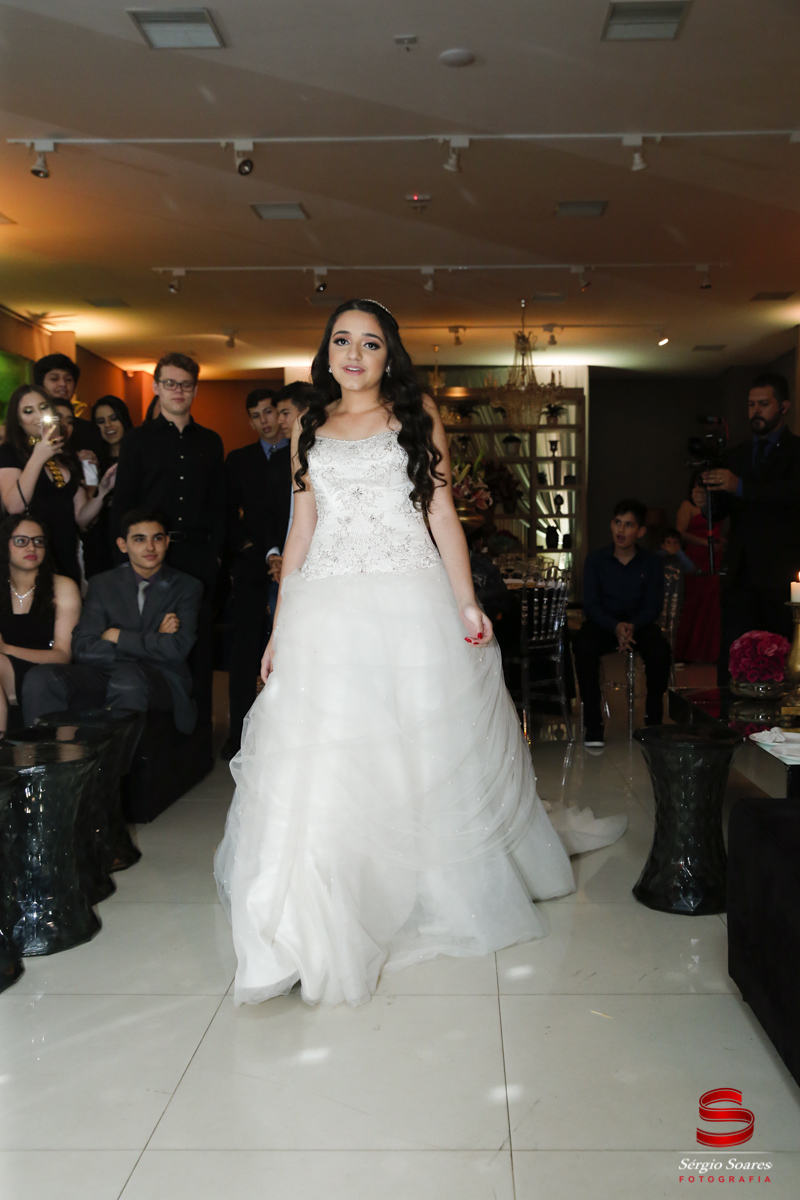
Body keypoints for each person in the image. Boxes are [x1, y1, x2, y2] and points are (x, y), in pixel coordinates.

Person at [214, 299, 626, 1009]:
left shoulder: (415, 414)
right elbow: (301, 530)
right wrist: (281, 628)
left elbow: (439, 512)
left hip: (409, 600)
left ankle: (425, 883)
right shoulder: (308, 424)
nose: (354, 354)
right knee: (325, 757)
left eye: (370, 343)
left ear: (389, 354)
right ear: (327, 350)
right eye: (342, 341)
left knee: (417, 747)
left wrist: (465, 601)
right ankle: (312, 911)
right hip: (326, 610)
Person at [23, 509, 203, 733]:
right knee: (41, 677)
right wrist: (153, 639)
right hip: (105, 672)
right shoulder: (103, 584)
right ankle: (44, 753)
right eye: (139, 539)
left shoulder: (186, 586)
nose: (150, 547)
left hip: (162, 680)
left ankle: (116, 757)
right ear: (123, 545)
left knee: (128, 678)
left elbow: (177, 649)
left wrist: (117, 636)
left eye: (157, 538)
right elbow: (83, 647)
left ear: (167, 542)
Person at [692, 372, 800, 683]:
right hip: (740, 572)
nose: (755, 411)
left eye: (763, 404)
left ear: (784, 406)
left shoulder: (796, 451)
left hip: (781, 573)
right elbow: (724, 510)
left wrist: (740, 485)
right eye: (751, 404)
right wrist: (707, 503)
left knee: (782, 656)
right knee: (733, 655)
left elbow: (790, 494)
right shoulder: (736, 455)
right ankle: (729, 712)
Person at [111, 353, 225, 593]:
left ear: (195, 390)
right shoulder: (136, 440)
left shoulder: (210, 441)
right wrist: (124, 559)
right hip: (148, 554)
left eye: (186, 384)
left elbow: (220, 504)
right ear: (156, 387)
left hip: (199, 554)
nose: (178, 390)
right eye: (170, 383)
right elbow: (123, 502)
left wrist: (216, 555)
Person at [222, 389, 291, 759]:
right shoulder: (239, 460)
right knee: (245, 649)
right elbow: (227, 512)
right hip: (252, 563)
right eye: (257, 415)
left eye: (270, 412)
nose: (265, 420)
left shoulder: (301, 451)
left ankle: (284, 735)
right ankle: (238, 736)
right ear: (250, 421)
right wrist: (252, 549)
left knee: (291, 647)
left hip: (297, 560)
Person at [573, 499, 671, 748]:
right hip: (604, 624)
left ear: (640, 531)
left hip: (639, 625)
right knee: (583, 647)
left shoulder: (651, 563)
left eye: (629, 525)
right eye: (618, 522)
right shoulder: (596, 560)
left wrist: (631, 626)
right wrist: (615, 627)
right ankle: (593, 725)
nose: (621, 530)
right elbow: (591, 605)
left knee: (660, 651)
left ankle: (654, 721)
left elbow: (653, 606)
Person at [0, 385, 117, 585]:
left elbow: (82, 518)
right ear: (18, 420)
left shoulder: (64, 454)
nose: (38, 415)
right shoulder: (9, 453)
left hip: (66, 555)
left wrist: (103, 491)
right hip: (29, 556)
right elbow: (15, 505)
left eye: (43, 407)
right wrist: (38, 456)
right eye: (28, 411)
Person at [0, 514, 82, 731]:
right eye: (21, 541)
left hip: (47, 673)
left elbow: (63, 656)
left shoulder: (63, 587)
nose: (31, 548)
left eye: (38, 541)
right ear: (4, 544)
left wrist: (6, 649)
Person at [674, 476, 724, 664]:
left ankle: (710, 652)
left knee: (713, 602)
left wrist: (721, 543)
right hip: (696, 556)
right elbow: (680, 533)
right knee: (695, 600)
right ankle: (690, 650)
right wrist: (705, 543)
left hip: (715, 557)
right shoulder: (687, 506)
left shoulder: (716, 507)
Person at [33, 353, 104, 457]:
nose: (63, 384)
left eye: (68, 379)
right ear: (40, 385)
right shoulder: (32, 425)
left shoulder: (89, 430)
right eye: (54, 379)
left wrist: (94, 462)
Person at [92, 395, 133, 470]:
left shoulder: (141, 454)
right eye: (101, 421)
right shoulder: (95, 461)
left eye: (113, 418)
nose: (107, 425)